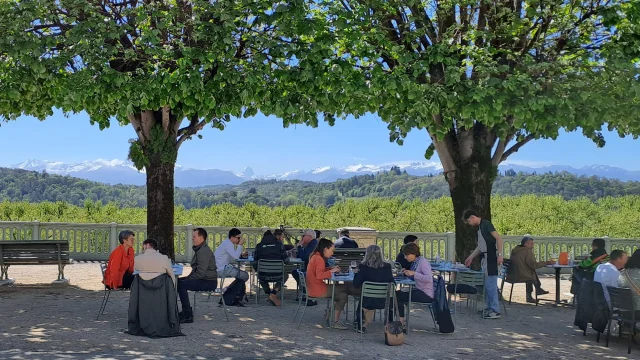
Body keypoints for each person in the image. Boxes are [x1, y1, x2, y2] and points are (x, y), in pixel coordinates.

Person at [126, 238, 183, 338]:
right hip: (161, 291)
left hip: (142, 290)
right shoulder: (164, 258)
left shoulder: (138, 259)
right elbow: (171, 274)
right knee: (168, 279)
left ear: (147, 246)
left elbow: (136, 271)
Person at [306, 238, 359, 330]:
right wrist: (332, 271)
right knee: (346, 287)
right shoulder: (319, 259)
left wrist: (330, 268)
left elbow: (319, 271)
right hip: (318, 289)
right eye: (331, 251)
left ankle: (333, 319)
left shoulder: (315, 256)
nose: (332, 253)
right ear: (325, 249)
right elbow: (320, 275)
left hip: (313, 288)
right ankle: (359, 292)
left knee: (343, 295)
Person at [463, 209, 504, 319]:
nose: (470, 224)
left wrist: (500, 254)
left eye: (469, 222)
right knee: (486, 284)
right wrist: (471, 257)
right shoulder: (481, 227)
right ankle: (490, 307)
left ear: (472, 217)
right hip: (485, 257)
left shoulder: (486, 224)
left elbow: (499, 239)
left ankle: (495, 310)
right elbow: (481, 247)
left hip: (491, 257)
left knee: (491, 284)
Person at [388, 243, 433, 331]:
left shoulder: (423, 262)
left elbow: (429, 279)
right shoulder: (416, 262)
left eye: (406, 255)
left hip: (425, 293)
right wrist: (406, 272)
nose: (405, 257)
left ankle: (401, 322)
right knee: (396, 294)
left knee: (398, 296)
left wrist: (414, 273)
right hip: (418, 289)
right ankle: (399, 320)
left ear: (413, 254)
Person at [177, 228, 218, 324]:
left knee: (182, 285)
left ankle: (188, 315)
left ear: (201, 238)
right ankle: (185, 311)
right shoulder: (200, 249)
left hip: (208, 282)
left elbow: (200, 273)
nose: (192, 239)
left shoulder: (203, 251)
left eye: (194, 237)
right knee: (178, 282)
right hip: (204, 279)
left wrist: (188, 280)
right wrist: (187, 279)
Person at [352, 245, 394, 333]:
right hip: (384, 300)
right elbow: (393, 283)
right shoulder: (387, 266)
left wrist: (356, 273)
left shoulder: (363, 267)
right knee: (374, 299)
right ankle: (368, 323)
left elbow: (356, 284)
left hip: (367, 300)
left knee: (365, 299)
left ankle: (361, 324)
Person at [506, 235, 553, 303]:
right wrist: (547, 263)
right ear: (526, 244)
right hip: (520, 275)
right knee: (530, 275)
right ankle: (535, 292)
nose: (533, 245)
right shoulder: (527, 251)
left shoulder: (516, 250)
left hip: (512, 275)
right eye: (531, 243)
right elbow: (534, 265)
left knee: (530, 273)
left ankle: (537, 290)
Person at [253, 230, 289, 306]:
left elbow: (255, 263)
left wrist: (258, 270)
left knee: (259, 275)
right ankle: (273, 293)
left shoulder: (259, 246)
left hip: (264, 275)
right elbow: (286, 261)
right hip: (278, 275)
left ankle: (269, 293)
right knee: (285, 275)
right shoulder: (279, 245)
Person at [291, 229, 319, 299]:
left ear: (309, 237)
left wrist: (299, 247)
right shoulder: (311, 244)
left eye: (303, 236)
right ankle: (306, 291)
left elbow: (304, 257)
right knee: (296, 272)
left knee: (298, 273)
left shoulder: (314, 244)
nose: (302, 237)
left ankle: (308, 292)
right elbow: (302, 255)